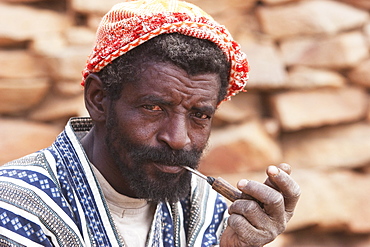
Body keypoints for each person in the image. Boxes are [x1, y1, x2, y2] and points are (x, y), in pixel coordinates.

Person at [0, 0, 300, 246]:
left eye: (200, 115)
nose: (179, 139)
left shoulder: (208, 212)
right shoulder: (16, 206)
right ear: (98, 99)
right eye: (153, 107)